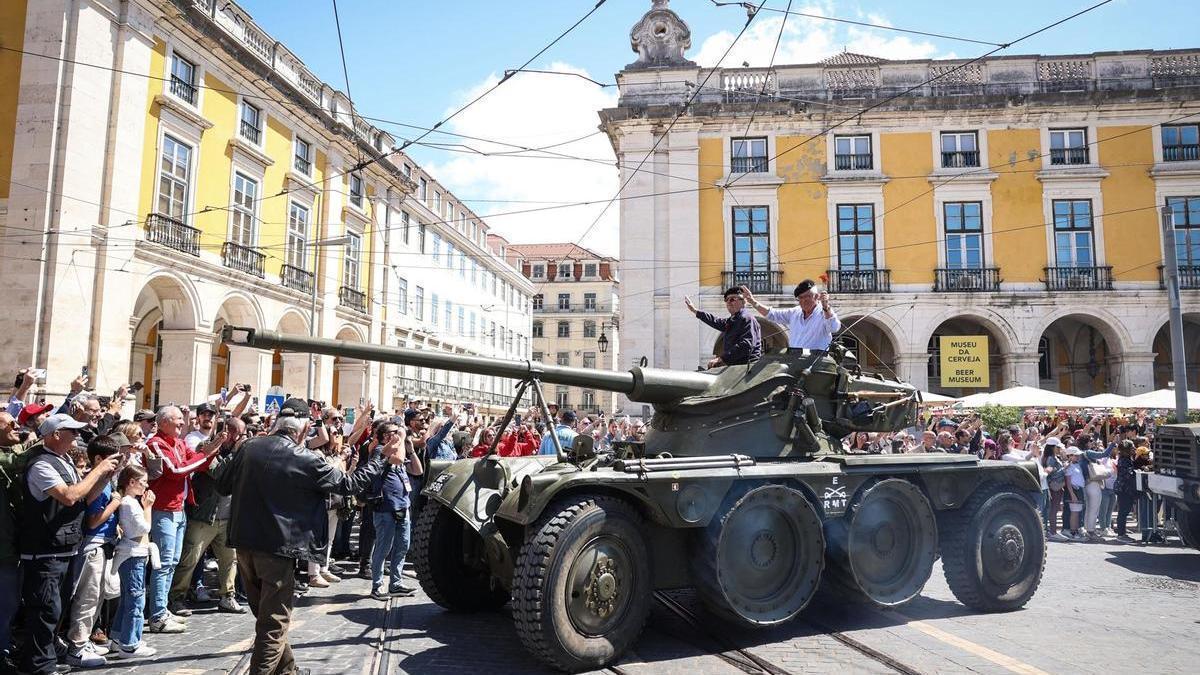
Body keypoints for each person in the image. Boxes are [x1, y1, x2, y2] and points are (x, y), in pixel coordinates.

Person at [217, 399, 394, 675]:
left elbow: (222, 483)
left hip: (245, 544)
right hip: (276, 550)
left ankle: (288, 671)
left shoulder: (249, 448)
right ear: (303, 430)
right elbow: (348, 485)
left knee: (268, 620)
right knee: (273, 624)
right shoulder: (304, 458)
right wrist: (381, 458)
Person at [18, 414, 119, 675]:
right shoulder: (41, 464)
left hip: (66, 546)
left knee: (56, 608)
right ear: (54, 435)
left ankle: (50, 655)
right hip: (44, 550)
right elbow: (70, 496)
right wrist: (97, 470)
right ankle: (39, 666)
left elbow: (86, 497)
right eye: (71, 432)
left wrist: (107, 475)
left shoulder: (63, 461)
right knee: (44, 610)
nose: (76, 437)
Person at [145, 406, 222, 634]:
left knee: (173, 562)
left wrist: (210, 452)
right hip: (163, 509)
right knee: (164, 563)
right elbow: (177, 470)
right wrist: (205, 455)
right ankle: (157, 614)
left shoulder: (177, 442)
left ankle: (163, 608)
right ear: (164, 422)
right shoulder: (157, 444)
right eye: (178, 420)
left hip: (179, 509)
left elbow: (195, 463)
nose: (182, 423)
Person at [169, 417, 246, 615]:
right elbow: (219, 473)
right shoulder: (208, 447)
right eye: (235, 432)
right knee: (190, 559)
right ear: (224, 431)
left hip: (227, 516)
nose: (238, 437)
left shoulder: (240, 451)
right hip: (205, 516)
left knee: (230, 560)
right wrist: (236, 452)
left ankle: (227, 596)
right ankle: (177, 598)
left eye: (241, 433)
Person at [64, 435, 124, 668]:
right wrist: (116, 502)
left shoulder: (106, 481)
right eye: (112, 459)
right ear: (98, 459)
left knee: (98, 597)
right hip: (93, 546)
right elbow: (92, 520)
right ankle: (76, 647)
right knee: (87, 599)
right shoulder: (95, 482)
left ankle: (84, 640)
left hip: (104, 543)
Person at [367, 422, 423, 600]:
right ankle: (377, 586)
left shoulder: (400, 449)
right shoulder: (380, 451)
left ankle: (396, 583)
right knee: (384, 548)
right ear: (384, 436)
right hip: (385, 508)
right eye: (393, 432)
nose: (398, 434)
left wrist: (411, 449)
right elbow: (397, 459)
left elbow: (417, 470)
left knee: (403, 546)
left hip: (403, 505)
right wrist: (402, 437)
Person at [109, 464, 157, 660]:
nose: (146, 485)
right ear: (131, 482)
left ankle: (119, 638)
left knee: (128, 599)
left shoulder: (130, 502)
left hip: (134, 553)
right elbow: (143, 528)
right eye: (143, 482)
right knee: (136, 600)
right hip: (133, 554)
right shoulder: (129, 503)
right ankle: (129, 644)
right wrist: (148, 507)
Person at [741, 280, 841, 350]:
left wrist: (826, 307)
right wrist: (753, 301)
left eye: (807, 297)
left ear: (816, 297)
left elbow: (834, 327)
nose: (803, 301)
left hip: (817, 365)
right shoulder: (795, 312)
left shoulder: (824, 312)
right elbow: (772, 314)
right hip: (795, 361)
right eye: (800, 298)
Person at [683, 287, 762, 368]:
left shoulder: (747, 319)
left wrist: (722, 359)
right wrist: (695, 311)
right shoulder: (732, 320)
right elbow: (715, 321)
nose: (728, 302)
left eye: (732, 299)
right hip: (735, 367)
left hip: (746, 368)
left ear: (743, 301)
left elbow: (746, 345)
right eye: (726, 300)